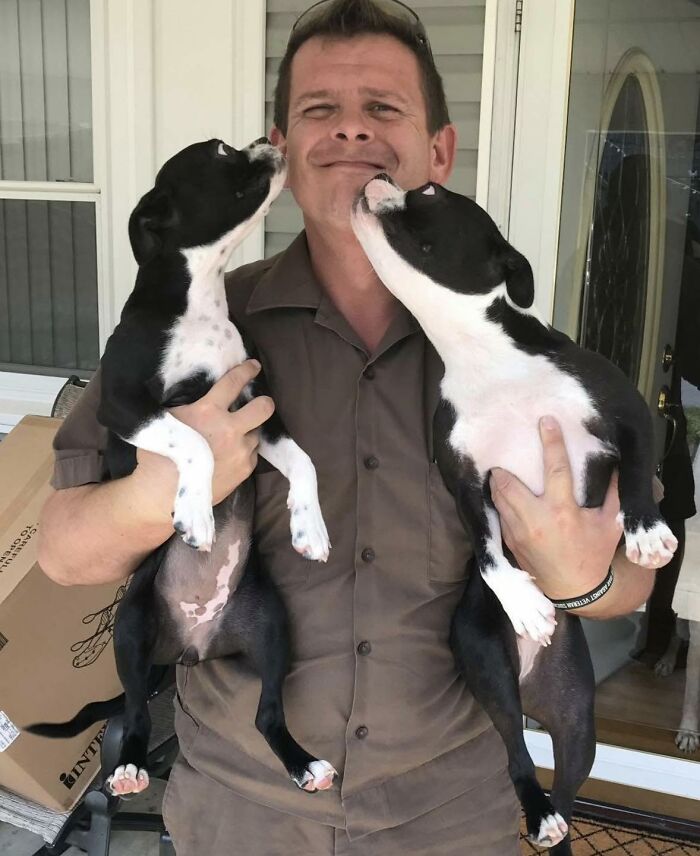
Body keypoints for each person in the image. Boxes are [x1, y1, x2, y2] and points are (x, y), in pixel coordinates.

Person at [38, 1, 656, 853]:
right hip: (239, 820)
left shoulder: (532, 368)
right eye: (319, 111)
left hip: (451, 824)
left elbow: (633, 585)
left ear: (439, 150)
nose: (350, 131)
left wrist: (583, 577)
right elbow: (63, 553)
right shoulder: (192, 326)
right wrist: (164, 485)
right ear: (282, 148)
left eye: (384, 109)